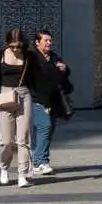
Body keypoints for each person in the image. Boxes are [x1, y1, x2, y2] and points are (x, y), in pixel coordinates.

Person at [0, 29, 37, 188]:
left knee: (23, 138)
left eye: (18, 46)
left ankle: (22, 174)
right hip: (5, 95)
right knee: (5, 140)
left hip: (24, 95)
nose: (15, 49)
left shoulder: (29, 56)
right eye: (12, 46)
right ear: (7, 44)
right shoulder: (0, 56)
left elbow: (38, 76)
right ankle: (4, 168)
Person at [27, 29, 73, 178]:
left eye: (50, 40)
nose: (49, 43)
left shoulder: (53, 57)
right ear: (37, 42)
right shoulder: (32, 58)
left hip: (54, 100)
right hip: (37, 99)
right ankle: (38, 161)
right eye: (45, 40)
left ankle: (42, 160)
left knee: (49, 130)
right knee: (44, 126)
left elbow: (65, 73)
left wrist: (64, 70)